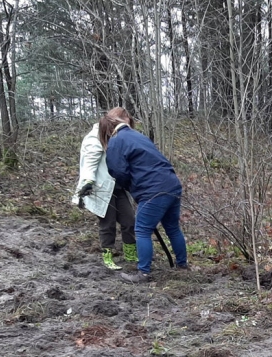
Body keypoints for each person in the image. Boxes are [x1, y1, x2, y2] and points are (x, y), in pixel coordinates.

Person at [101, 108, 188, 282]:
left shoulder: (116, 141)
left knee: (141, 229)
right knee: (172, 228)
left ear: (108, 130)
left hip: (152, 189)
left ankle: (143, 273)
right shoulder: (138, 136)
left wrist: (130, 186)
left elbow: (118, 171)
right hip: (172, 183)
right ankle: (182, 265)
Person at [73, 116, 137, 271]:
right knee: (107, 224)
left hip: (118, 188)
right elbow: (89, 162)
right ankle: (107, 256)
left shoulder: (116, 138)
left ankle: (130, 254)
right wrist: (88, 181)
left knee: (129, 221)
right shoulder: (95, 139)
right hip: (101, 188)